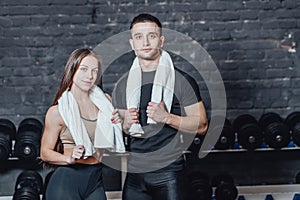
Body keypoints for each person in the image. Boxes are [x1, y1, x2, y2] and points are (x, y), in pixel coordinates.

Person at [112, 13, 208, 200]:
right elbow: (124, 130)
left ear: (161, 41)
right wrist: (125, 124)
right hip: (134, 175)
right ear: (132, 44)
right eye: (139, 37)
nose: (145, 42)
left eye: (152, 36)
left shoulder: (182, 80)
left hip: (168, 174)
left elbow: (202, 126)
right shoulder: (125, 83)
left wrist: (166, 117)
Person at [40, 48, 125, 200]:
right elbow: (45, 153)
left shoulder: (105, 102)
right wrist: (69, 158)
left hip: (96, 178)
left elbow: (115, 136)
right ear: (72, 70)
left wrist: (121, 121)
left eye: (94, 71)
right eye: (84, 69)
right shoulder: (57, 111)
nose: (89, 76)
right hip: (67, 180)